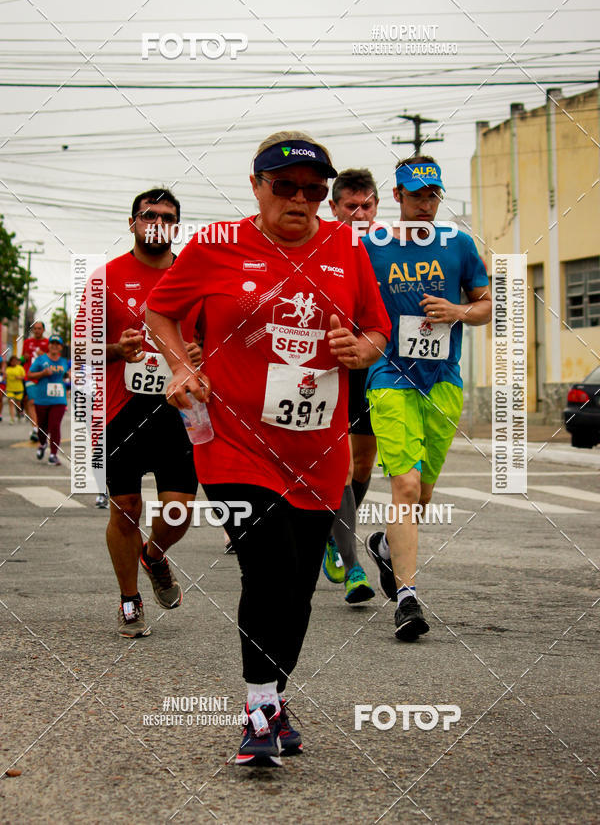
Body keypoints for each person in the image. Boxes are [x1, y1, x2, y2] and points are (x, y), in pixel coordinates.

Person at [146, 131, 390, 767]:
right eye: (286, 187)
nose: (301, 200)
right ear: (257, 186)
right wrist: (180, 367)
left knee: (302, 586)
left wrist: (363, 350)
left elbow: (376, 328)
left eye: (314, 191)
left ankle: (274, 700)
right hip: (233, 443)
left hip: (318, 447)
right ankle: (258, 712)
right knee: (268, 567)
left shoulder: (346, 246)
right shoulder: (214, 246)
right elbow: (160, 311)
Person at [363, 155, 491, 641]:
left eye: (433, 194)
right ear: (396, 197)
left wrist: (457, 310)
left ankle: (385, 545)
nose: (426, 203)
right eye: (416, 195)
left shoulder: (458, 243)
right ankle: (408, 598)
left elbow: (485, 305)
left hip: (443, 381)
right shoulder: (371, 246)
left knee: (425, 493)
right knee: (407, 488)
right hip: (389, 376)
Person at [101, 187, 201, 639]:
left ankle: (155, 556)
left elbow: (226, 341)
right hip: (122, 410)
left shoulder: (196, 275)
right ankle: (129, 598)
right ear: (132, 222)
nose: (156, 222)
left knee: (178, 510)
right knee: (125, 507)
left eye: (166, 216)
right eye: (148, 214)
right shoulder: (106, 278)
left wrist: (203, 354)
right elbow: (80, 350)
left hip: (179, 410)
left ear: (175, 225)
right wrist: (116, 349)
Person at [321, 168, 381, 603]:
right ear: (334, 207)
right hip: (330, 364)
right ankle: (354, 564)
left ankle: (330, 527)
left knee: (362, 465)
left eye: (368, 205)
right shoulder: (321, 243)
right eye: (351, 207)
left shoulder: (387, 248)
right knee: (340, 465)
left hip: (374, 364)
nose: (361, 214)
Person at [28, 335, 70, 463]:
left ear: (61, 347)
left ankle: (53, 454)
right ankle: (42, 443)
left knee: (55, 426)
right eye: (52, 343)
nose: (54, 346)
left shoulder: (64, 361)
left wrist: (68, 375)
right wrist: (42, 374)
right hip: (42, 398)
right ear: (49, 345)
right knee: (42, 427)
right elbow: (29, 374)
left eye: (57, 344)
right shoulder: (41, 360)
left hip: (59, 399)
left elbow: (67, 375)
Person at [22, 321, 49, 441]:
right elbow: (21, 358)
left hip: (44, 377)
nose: (37, 330)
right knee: (32, 401)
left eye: (39, 328)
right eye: (35, 328)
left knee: (43, 404)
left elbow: (54, 358)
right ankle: (35, 429)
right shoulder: (27, 342)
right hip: (30, 376)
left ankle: (42, 427)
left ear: (43, 330)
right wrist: (24, 358)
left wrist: (43, 355)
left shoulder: (48, 343)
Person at [5, 355, 26, 424]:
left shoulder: (20, 368)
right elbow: (4, 377)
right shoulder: (7, 369)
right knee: (11, 403)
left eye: (15, 361)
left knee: (18, 404)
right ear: (10, 362)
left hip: (19, 389)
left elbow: (24, 376)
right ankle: (12, 418)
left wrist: (19, 377)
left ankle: (19, 414)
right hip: (10, 389)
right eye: (12, 361)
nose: (14, 362)